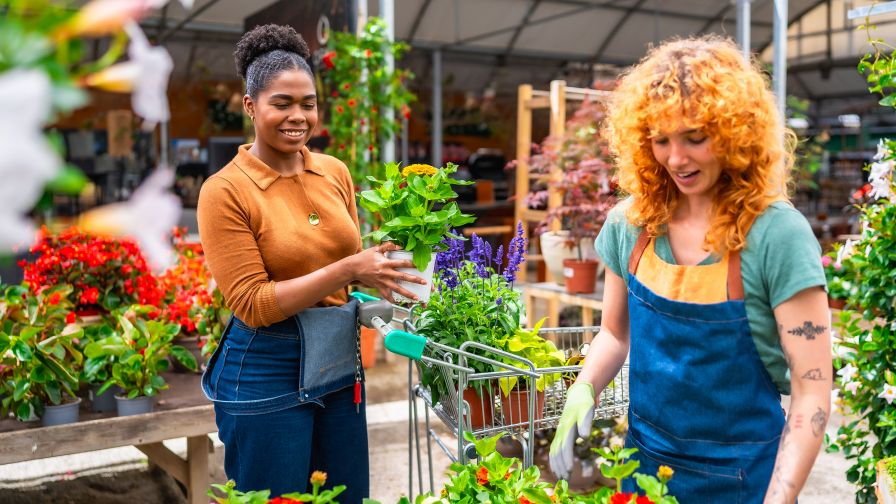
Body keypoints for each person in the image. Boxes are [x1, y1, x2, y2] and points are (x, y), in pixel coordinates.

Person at [549, 35, 832, 503]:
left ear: (734, 132)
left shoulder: (776, 236)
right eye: (660, 140)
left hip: (745, 480)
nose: (676, 159)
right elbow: (616, 335)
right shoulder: (631, 223)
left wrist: (780, 497)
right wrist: (584, 388)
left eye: (694, 138)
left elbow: (812, 391)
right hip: (641, 466)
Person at [196, 24, 425, 502]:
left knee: (346, 496)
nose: (298, 116)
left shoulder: (333, 171)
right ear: (250, 106)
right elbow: (255, 304)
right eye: (282, 103)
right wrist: (350, 270)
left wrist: (383, 282)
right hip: (264, 368)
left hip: (337, 362)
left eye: (308, 103)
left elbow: (347, 262)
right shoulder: (225, 190)